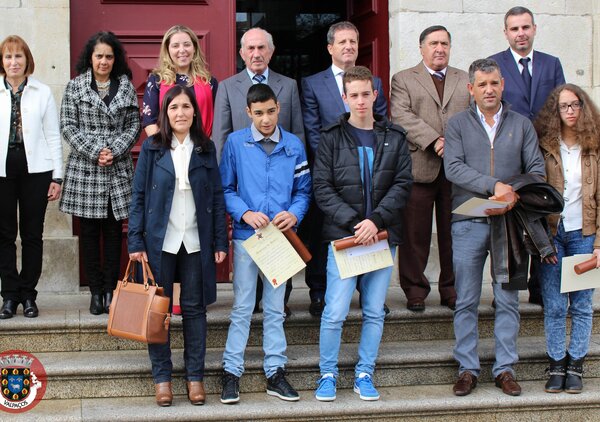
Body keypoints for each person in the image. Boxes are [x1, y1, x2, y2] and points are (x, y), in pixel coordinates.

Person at [444, 58, 546, 397]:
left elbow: (536, 170)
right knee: (466, 300)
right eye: (482, 84)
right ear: (471, 89)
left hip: (509, 225)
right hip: (468, 222)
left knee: (507, 299)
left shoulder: (522, 125)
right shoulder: (457, 124)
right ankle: (467, 369)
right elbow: (453, 168)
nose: (489, 90)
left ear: (503, 85)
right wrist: (494, 185)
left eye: (494, 83)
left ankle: (505, 369)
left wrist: (512, 191)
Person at [313, 66, 412, 402]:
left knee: (373, 310)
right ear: (344, 97)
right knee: (335, 311)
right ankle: (327, 374)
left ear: (375, 95)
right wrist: (357, 223)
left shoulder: (395, 136)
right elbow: (322, 187)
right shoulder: (331, 137)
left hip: (381, 237)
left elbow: (402, 184)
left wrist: (376, 221)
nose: (360, 101)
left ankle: (364, 373)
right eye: (353, 95)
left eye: (365, 94)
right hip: (345, 238)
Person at [128, 85, 228, 407]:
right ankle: (162, 379)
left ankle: (195, 377)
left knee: (195, 310)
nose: (180, 113)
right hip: (161, 240)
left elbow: (216, 196)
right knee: (158, 311)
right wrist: (135, 240)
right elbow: (139, 196)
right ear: (165, 113)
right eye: (174, 108)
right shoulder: (152, 148)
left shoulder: (206, 148)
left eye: (186, 106)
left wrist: (220, 239)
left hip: (196, 240)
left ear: (194, 112)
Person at [219, 83, 310, 404]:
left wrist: (294, 213)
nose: (266, 119)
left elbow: (303, 190)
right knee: (243, 306)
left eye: (271, 111)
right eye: (258, 113)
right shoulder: (235, 143)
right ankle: (231, 372)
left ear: (278, 108)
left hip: (280, 240)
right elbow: (225, 188)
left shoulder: (294, 145)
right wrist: (244, 213)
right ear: (248, 112)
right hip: (248, 239)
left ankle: (275, 372)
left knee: (275, 308)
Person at [300, 21, 387, 316]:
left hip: (368, 173)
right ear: (330, 48)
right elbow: (313, 132)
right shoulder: (313, 84)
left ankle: (369, 294)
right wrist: (338, 165)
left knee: (367, 228)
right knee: (322, 233)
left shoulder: (375, 83)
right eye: (342, 42)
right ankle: (319, 292)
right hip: (329, 174)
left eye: (353, 41)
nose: (348, 46)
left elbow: (381, 127)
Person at [213, 27, 302, 315]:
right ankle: (251, 302)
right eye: (250, 48)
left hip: (280, 192)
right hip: (246, 190)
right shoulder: (228, 87)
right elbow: (221, 137)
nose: (256, 53)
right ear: (241, 53)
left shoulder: (288, 85)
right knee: (247, 267)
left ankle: (280, 300)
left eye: (262, 47)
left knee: (281, 247)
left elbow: (297, 132)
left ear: (271, 52)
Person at [60, 31, 140, 315]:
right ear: (90, 58)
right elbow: (68, 126)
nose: (104, 61)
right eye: (99, 56)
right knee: (90, 233)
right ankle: (95, 292)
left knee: (114, 232)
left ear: (115, 59)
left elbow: (134, 125)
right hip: (86, 170)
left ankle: (110, 290)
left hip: (117, 170)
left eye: (108, 56)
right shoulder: (75, 87)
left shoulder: (126, 87)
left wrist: (114, 150)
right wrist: (96, 151)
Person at [490, 6, 566, 306]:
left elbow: (561, 104)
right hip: (510, 152)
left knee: (541, 216)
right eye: (514, 29)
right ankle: (506, 287)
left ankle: (538, 286)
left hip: (545, 153)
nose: (520, 34)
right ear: (505, 32)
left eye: (525, 27)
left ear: (534, 29)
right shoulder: (495, 64)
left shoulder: (551, 63)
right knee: (509, 220)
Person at [390, 25, 470, 312]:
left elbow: (473, 116)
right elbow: (401, 115)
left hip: (457, 170)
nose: (439, 49)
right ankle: (415, 290)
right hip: (419, 167)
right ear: (421, 48)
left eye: (444, 44)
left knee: (455, 234)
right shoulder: (403, 79)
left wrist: (454, 145)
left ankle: (451, 290)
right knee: (415, 235)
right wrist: (435, 140)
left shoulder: (465, 79)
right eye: (433, 43)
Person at [534, 84, 600, 394]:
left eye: (575, 105)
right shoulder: (545, 146)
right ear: (555, 111)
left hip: (584, 234)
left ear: (583, 107)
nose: (570, 111)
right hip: (552, 233)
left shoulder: (594, 146)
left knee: (582, 304)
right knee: (555, 304)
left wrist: (599, 243)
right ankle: (557, 363)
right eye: (564, 106)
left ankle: (576, 365)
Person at [0, 35, 63, 319]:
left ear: (27, 60)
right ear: (2, 62)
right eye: (8, 57)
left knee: (32, 234)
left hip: (36, 170)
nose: (13, 62)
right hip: (2, 171)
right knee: (4, 235)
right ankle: (9, 296)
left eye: (18, 56)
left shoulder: (42, 92)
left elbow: (53, 135)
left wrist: (57, 177)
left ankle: (28, 295)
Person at [142, 24, 218, 138]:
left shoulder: (209, 82)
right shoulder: (156, 80)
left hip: (203, 145)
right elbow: (149, 120)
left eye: (187, 44)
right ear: (168, 50)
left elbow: (219, 122)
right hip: (165, 145)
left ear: (194, 48)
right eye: (175, 46)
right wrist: (164, 146)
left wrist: (206, 145)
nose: (182, 50)